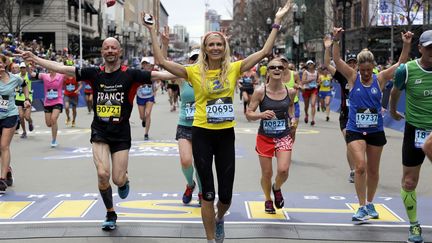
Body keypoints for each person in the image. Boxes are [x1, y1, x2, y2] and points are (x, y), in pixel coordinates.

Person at [143, 1, 292, 241]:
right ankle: (211, 238)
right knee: (208, 195)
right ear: (204, 48)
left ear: (224, 47)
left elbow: (264, 52)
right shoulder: (193, 71)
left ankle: (220, 218)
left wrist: (277, 21)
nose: (215, 48)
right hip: (201, 133)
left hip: (225, 136)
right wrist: (152, 31)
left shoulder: (234, 68)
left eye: (219, 44)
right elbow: (161, 61)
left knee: (225, 196)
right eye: (211, 44)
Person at [17, 37, 176, 231]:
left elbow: (165, 75)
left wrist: (192, 70)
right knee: (102, 174)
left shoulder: (131, 74)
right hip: (100, 131)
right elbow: (61, 68)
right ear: (102, 52)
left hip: (121, 133)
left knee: (117, 180)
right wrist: (35, 58)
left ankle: (124, 180)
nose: (110, 50)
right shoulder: (94, 73)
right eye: (106, 48)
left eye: (113, 48)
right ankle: (110, 212)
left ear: (119, 52)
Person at [332, 27, 412, 221]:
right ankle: (360, 207)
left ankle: (369, 203)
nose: (366, 73)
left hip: (375, 130)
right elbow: (337, 61)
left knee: (374, 171)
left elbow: (401, 64)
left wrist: (406, 44)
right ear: (358, 68)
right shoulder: (352, 77)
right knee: (360, 167)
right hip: (354, 129)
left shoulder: (381, 78)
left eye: (369, 70)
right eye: (363, 70)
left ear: (374, 67)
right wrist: (335, 40)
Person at [389, 29, 431, 243]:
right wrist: (393, 111)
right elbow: (395, 92)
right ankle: (414, 226)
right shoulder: (407, 70)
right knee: (409, 181)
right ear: (421, 48)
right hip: (415, 130)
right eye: (430, 47)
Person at [245, 58, 296, 214]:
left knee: (283, 170)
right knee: (267, 173)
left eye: (280, 67)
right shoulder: (260, 91)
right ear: (267, 71)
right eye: (272, 67)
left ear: (284, 70)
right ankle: (268, 199)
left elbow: (291, 108)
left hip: (283, 135)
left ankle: (277, 188)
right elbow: (249, 114)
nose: (276, 69)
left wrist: (292, 118)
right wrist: (261, 115)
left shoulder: (290, 91)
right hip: (265, 137)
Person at [323, 35, 356, 183]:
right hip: (346, 116)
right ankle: (353, 171)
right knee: (350, 143)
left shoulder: (365, 76)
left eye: (355, 63)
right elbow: (327, 64)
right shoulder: (342, 77)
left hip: (361, 117)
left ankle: (361, 167)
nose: (352, 65)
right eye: (350, 63)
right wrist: (328, 48)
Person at [0, 54, 31, 193]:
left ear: (5, 65)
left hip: (10, 115)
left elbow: (24, 85)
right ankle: (8, 170)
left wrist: (26, 98)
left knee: (4, 146)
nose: (0, 66)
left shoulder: (14, 79)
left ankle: (1, 179)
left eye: (1, 63)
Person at [39, 68, 66, 147]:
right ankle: (54, 125)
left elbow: (70, 73)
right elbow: (33, 74)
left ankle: (54, 140)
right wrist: (28, 66)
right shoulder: (45, 76)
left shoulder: (61, 76)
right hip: (47, 102)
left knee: (53, 119)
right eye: (49, 68)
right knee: (48, 123)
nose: (50, 69)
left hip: (58, 101)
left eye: (52, 67)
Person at [281, 57, 301, 141]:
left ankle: (289, 147)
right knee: (281, 130)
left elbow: (299, 85)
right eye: (281, 62)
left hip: (293, 104)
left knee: (293, 128)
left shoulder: (295, 74)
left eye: (285, 62)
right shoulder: (276, 74)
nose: (283, 64)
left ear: (287, 63)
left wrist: (297, 87)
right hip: (280, 104)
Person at [137, 57, 156, 140]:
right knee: (142, 116)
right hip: (140, 96)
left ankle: (146, 133)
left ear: (149, 64)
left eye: (146, 63)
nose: (145, 65)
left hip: (149, 96)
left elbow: (157, 82)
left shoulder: (152, 73)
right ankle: (143, 120)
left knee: (148, 114)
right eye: (143, 63)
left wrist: (155, 90)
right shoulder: (138, 73)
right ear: (142, 65)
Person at [15, 62, 34, 138]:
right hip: (18, 98)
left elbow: (30, 72)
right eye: (21, 68)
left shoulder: (28, 76)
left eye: (24, 68)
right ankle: (24, 132)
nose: (22, 69)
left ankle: (30, 122)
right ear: (20, 69)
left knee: (27, 117)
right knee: (21, 116)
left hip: (27, 98)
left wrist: (27, 64)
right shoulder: (17, 76)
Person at [301, 60, 318, 126]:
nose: (310, 65)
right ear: (307, 65)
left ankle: (313, 119)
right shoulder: (305, 72)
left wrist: (318, 82)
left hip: (314, 89)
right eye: (309, 64)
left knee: (313, 104)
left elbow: (317, 80)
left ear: (313, 64)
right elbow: (303, 81)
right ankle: (306, 114)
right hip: (306, 89)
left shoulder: (316, 72)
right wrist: (309, 80)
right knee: (306, 106)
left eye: (311, 63)